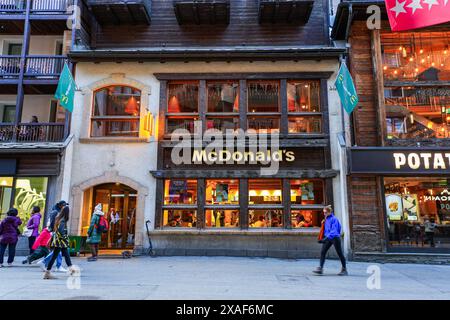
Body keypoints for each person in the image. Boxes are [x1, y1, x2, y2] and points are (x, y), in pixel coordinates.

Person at [313, 206, 348, 276]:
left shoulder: (334, 219)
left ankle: (344, 269)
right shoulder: (326, 219)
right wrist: (322, 238)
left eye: (326, 212)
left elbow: (334, 231)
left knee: (339, 253)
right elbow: (326, 230)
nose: (324, 214)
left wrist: (325, 239)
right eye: (324, 212)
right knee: (323, 252)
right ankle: (320, 268)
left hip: (335, 238)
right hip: (328, 237)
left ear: (330, 212)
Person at [44, 206, 76, 279]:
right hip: (61, 241)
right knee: (60, 255)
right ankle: (71, 269)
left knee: (59, 255)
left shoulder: (59, 219)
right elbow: (61, 232)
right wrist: (66, 238)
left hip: (58, 241)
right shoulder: (62, 220)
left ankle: (48, 272)